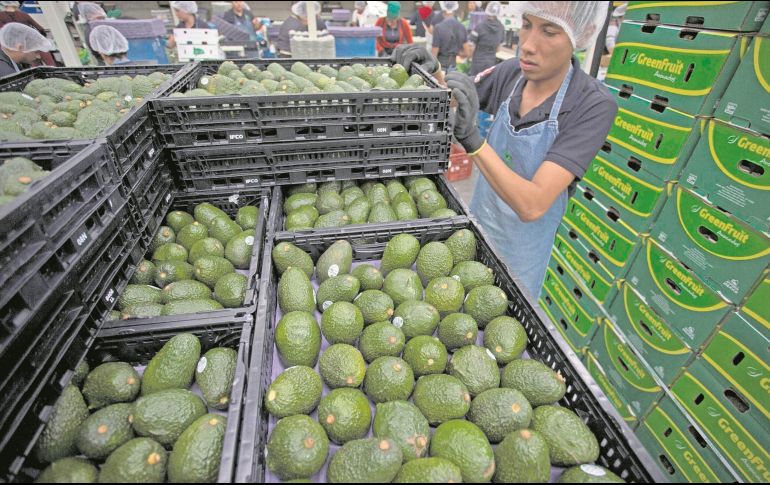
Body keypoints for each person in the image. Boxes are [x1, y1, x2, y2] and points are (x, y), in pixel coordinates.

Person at [394, 2, 616, 297]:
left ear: (584, 33)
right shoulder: (512, 73)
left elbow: (533, 204)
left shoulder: (592, 104)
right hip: (476, 230)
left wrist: (473, 140)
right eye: (526, 25)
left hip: (521, 255)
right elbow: (458, 99)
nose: (528, 45)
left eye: (549, 32)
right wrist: (432, 74)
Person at [0, 1, 55, 66]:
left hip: (10, 48)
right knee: (44, 57)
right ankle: (53, 70)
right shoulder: (24, 15)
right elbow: (40, 28)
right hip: (29, 44)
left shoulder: (1, 16)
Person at [468, 1, 505, 76]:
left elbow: (471, 47)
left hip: (477, 63)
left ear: (487, 10)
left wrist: (469, 57)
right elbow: (498, 49)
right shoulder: (501, 28)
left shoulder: (479, 26)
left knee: (474, 84)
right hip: (491, 63)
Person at [432, 1, 469, 73]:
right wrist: (455, 52)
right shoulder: (462, 27)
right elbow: (466, 52)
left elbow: (434, 54)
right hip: (453, 66)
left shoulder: (438, 27)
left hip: (440, 67)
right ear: (455, 9)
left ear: (443, 9)